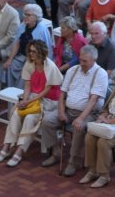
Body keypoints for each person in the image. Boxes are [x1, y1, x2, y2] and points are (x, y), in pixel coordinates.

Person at [45, 44, 108, 176]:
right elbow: (62, 94)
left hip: (89, 113)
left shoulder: (100, 74)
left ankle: (73, 161)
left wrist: (81, 118)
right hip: (68, 110)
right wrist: (61, 111)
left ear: (94, 60)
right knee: (47, 121)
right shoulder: (73, 70)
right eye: (80, 60)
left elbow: (93, 100)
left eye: (85, 61)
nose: (81, 63)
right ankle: (56, 153)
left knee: (79, 127)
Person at [0, 41, 62, 167]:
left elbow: (46, 90)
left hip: (48, 101)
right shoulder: (29, 63)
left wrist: (28, 101)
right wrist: (24, 101)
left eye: (34, 51)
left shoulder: (50, 66)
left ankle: (20, 150)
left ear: (41, 52)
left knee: (30, 118)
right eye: (30, 51)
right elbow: (27, 85)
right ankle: (7, 146)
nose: (31, 53)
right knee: (17, 113)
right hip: (32, 97)